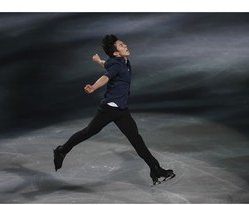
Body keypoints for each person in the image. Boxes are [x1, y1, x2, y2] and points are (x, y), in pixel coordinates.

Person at [53, 34, 175, 185]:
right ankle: (62, 150)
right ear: (116, 53)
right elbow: (106, 77)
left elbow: (107, 64)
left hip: (122, 110)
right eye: (121, 45)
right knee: (88, 132)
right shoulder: (117, 64)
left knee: (137, 140)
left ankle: (156, 170)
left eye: (124, 44)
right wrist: (93, 87)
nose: (125, 46)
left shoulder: (121, 61)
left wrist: (99, 61)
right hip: (109, 109)